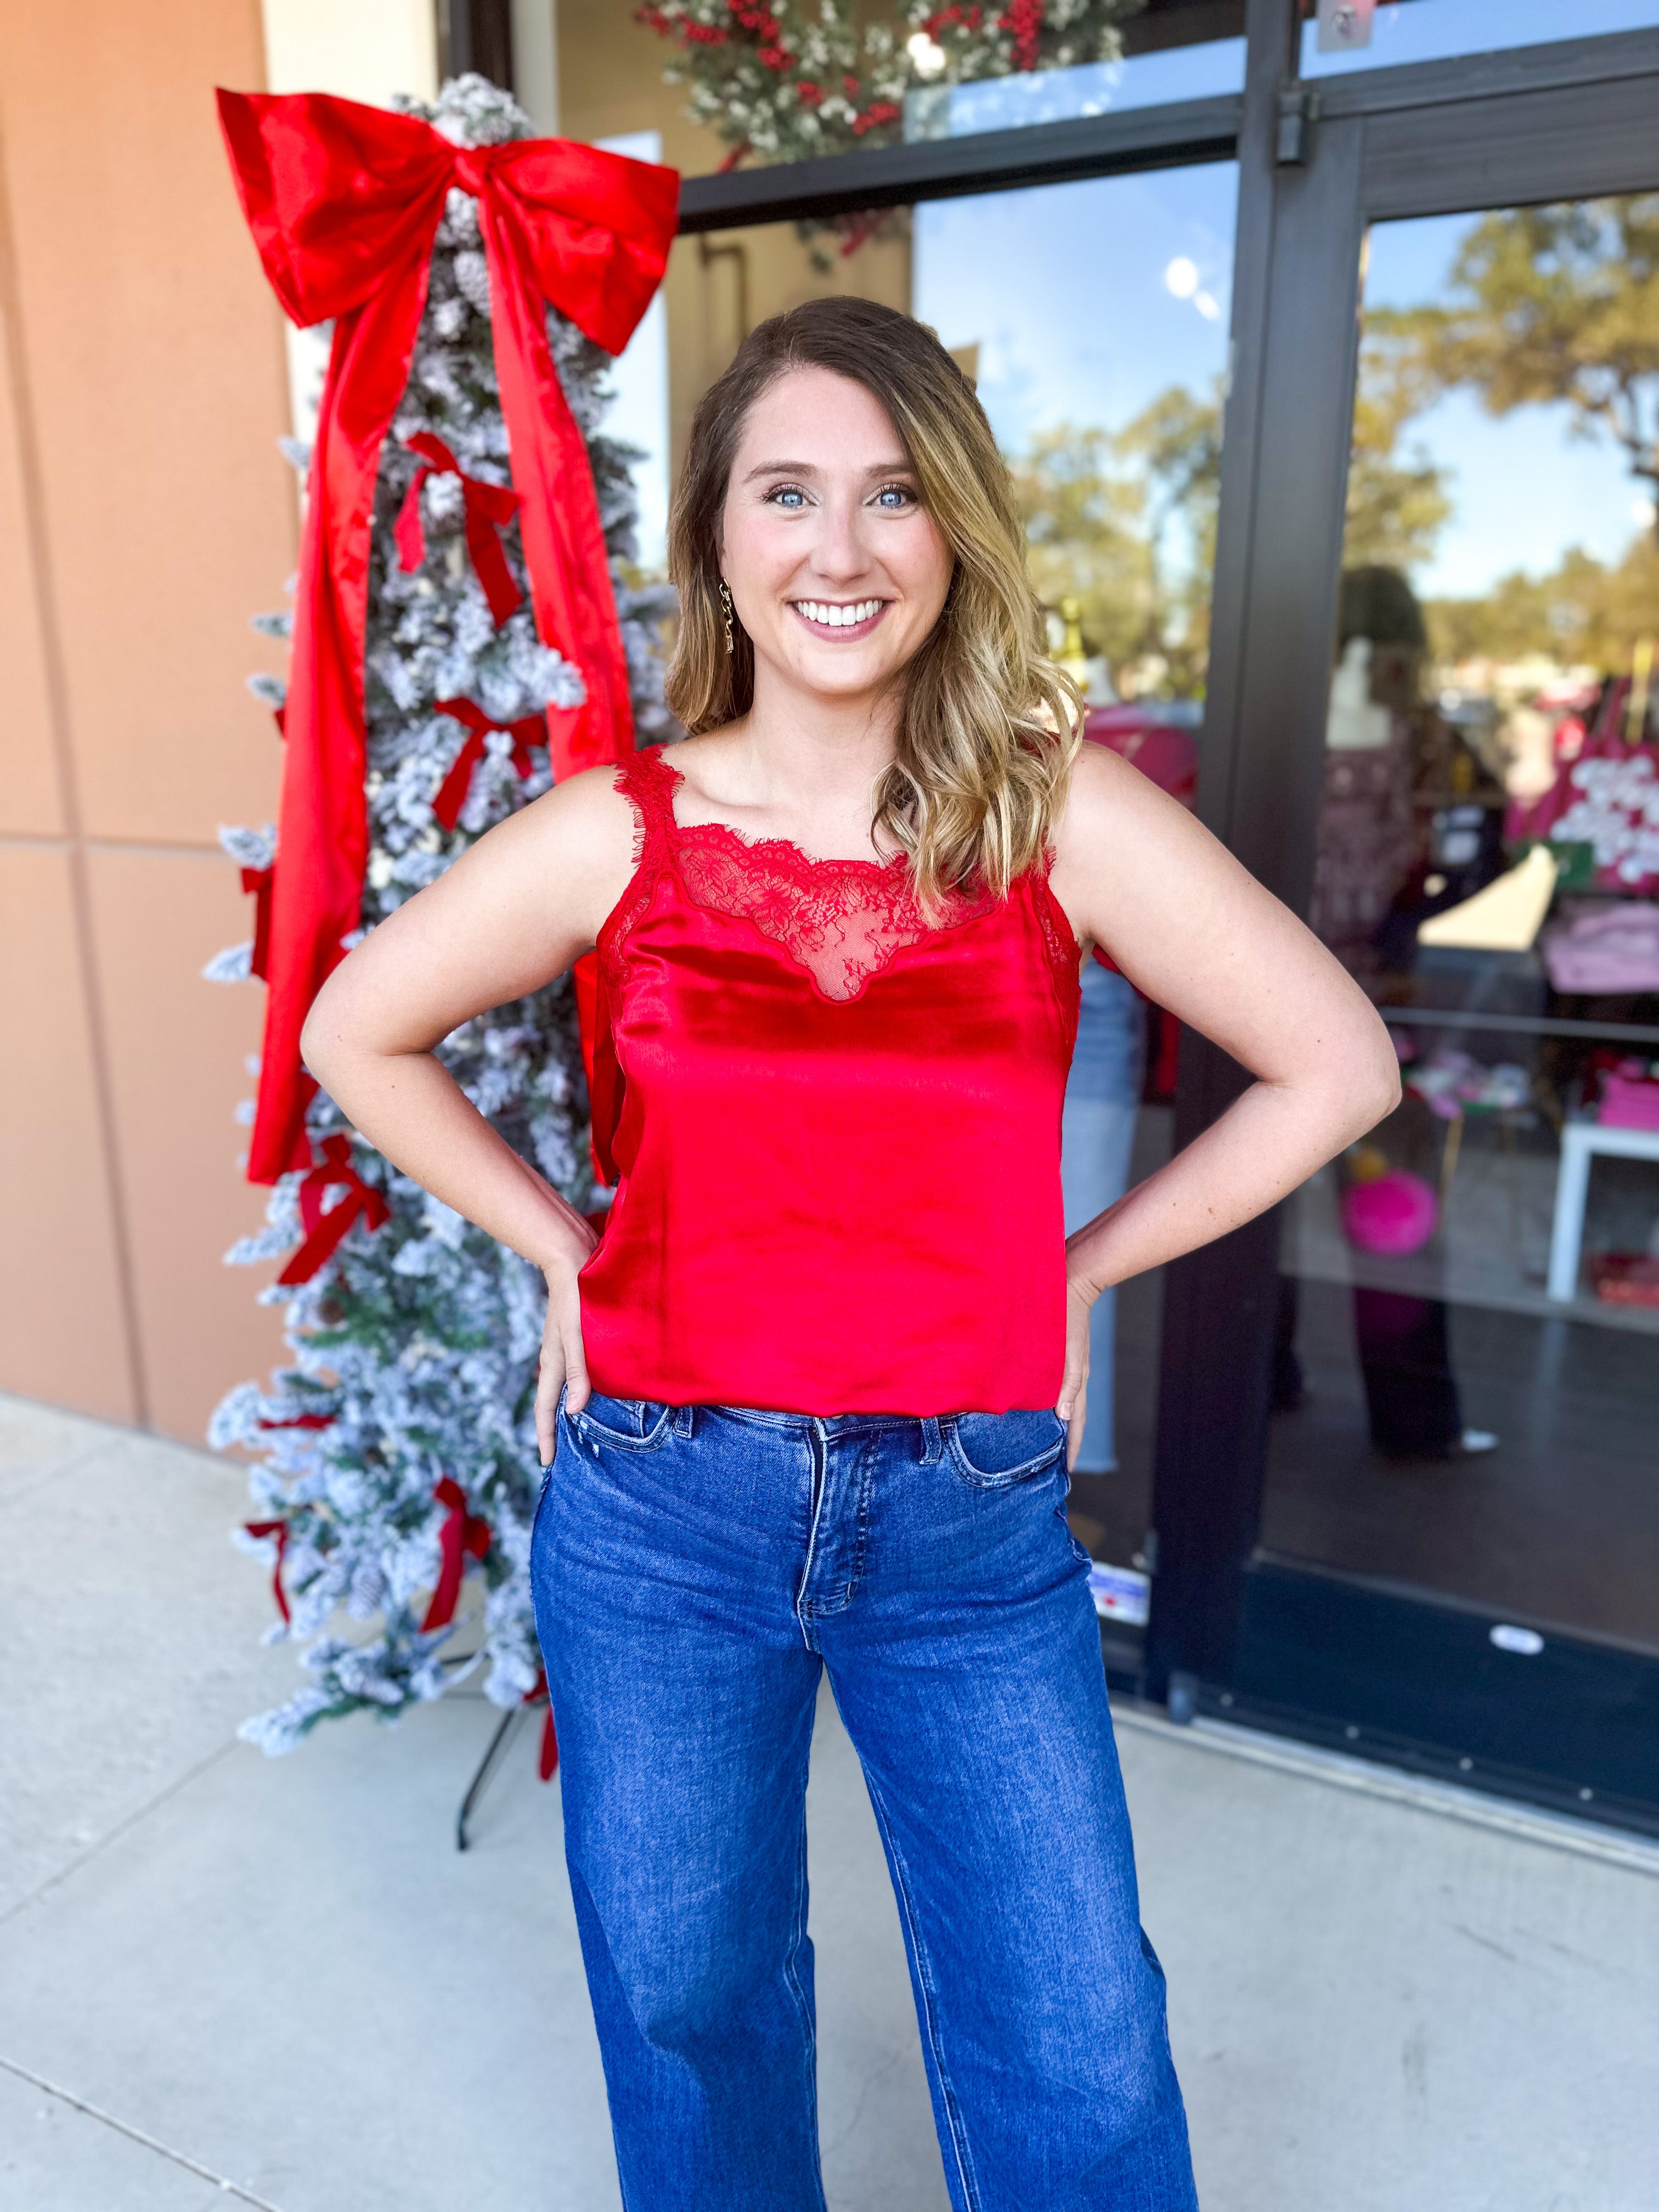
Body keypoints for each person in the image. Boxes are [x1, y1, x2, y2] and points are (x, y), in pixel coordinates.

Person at [301, 297, 1400, 2212]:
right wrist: (566, 1243)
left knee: (1080, 2049)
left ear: (954, 529)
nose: (840, 547)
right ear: (720, 540)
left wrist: (1075, 1269)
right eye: (787, 493)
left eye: (893, 496)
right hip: (660, 1508)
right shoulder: (614, 836)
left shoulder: (1059, 815)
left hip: (969, 1523)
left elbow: (1339, 1064)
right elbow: (351, 1029)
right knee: (689, 2002)